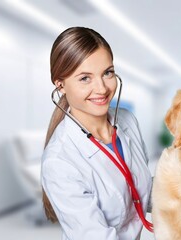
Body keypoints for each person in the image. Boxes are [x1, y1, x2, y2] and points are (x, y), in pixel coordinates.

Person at [41, 26, 153, 240]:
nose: (101, 89)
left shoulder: (127, 120)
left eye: (107, 73)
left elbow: (139, 191)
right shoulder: (59, 162)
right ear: (61, 85)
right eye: (85, 78)